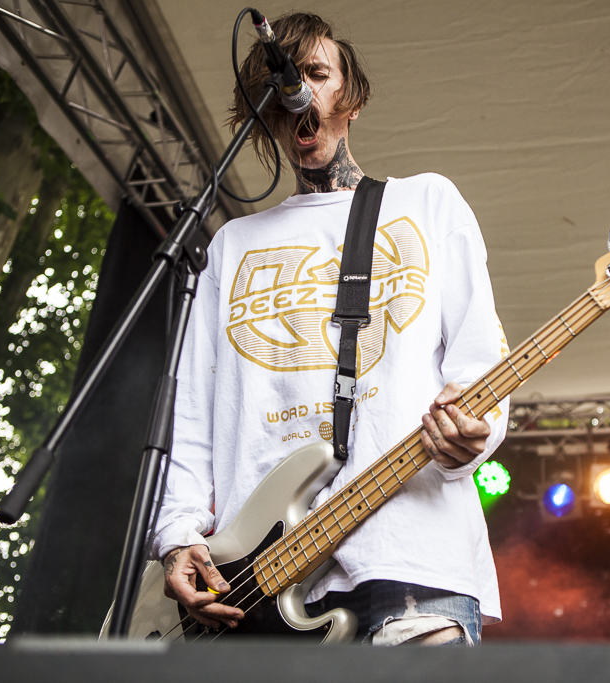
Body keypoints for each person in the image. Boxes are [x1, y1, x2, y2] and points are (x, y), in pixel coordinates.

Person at [153, 11, 509, 646]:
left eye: (317, 73)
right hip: (250, 583)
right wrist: (177, 534)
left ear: (353, 97)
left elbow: (481, 364)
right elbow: (191, 414)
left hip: (410, 559)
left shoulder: (427, 203)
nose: (300, 91)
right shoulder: (231, 244)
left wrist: (473, 436)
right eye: (281, 83)